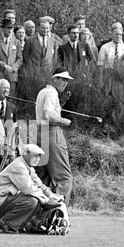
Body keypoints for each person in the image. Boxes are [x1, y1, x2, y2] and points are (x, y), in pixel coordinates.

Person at [0, 143, 66, 233]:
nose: (38, 159)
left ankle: (20, 224)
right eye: (35, 156)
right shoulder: (18, 166)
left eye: (39, 156)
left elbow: (39, 185)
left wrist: (53, 196)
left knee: (37, 199)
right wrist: (46, 200)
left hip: (5, 202)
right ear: (26, 154)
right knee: (32, 201)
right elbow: (28, 188)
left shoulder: (28, 166)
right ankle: (5, 223)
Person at [35, 70, 74, 204]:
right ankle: (60, 212)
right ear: (54, 79)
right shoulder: (52, 93)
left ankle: (40, 213)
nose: (65, 82)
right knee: (63, 178)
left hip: (41, 133)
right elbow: (47, 115)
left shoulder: (43, 92)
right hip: (52, 134)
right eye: (62, 79)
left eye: (67, 80)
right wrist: (63, 121)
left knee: (44, 178)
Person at [17, 16, 59, 116]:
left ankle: (44, 117)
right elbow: (26, 57)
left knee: (45, 97)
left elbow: (54, 59)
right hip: (33, 73)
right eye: (43, 28)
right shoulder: (30, 40)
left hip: (46, 74)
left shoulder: (53, 41)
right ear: (39, 28)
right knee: (32, 97)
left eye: (47, 28)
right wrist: (30, 70)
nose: (45, 30)